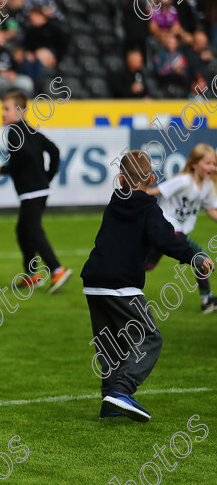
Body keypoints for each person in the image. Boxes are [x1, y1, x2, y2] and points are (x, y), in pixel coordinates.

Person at [81, 149, 214, 422]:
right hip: (122, 286)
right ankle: (122, 390)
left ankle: (109, 404)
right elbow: (165, 239)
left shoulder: (114, 202)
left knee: (110, 346)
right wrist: (194, 255)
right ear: (151, 178)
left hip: (94, 284)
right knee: (150, 338)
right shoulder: (148, 208)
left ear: (120, 180)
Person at [0, 91, 72, 293]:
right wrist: (48, 175)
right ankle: (32, 275)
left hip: (31, 192)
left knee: (32, 231)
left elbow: (23, 156)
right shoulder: (32, 132)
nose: (3, 113)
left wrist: (5, 169)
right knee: (23, 232)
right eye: (2, 109)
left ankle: (57, 269)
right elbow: (54, 150)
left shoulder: (14, 131)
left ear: (20, 112)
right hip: (38, 190)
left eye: (7, 109)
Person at [145, 144, 217, 313]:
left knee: (147, 265)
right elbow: (156, 191)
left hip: (176, 231)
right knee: (201, 258)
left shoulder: (207, 185)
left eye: (214, 163)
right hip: (167, 228)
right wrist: (131, 197)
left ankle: (118, 283)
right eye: (208, 163)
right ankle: (207, 300)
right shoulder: (183, 181)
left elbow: (211, 209)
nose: (212, 167)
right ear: (194, 164)